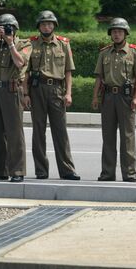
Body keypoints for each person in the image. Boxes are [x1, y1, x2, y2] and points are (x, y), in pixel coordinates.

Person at [26, 10, 81, 180]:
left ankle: (67, 170)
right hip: (37, 90)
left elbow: (68, 71)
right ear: (39, 26)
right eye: (43, 24)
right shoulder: (31, 44)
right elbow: (25, 72)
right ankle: (41, 170)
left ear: (54, 26)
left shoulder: (64, 44)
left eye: (49, 24)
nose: (46, 26)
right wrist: (25, 94)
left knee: (60, 131)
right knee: (38, 131)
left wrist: (68, 93)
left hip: (57, 90)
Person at [91, 18, 136, 182]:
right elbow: (99, 78)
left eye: (119, 31)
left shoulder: (135, 52)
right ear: (110, 34)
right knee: (108, 136)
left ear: (125, 33)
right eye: (114, 32)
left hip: (126, 97)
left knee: (127, 136)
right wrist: (95, 97)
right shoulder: (104, 52)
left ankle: (129, 173)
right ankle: (107, 173)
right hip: (108, 97)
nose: (116, 34)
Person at [0, 14, 31, 183]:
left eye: (10, 27)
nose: (7, 30)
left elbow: (20, 63)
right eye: (3, 27)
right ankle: (0, 170)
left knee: (15, 133)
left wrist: (10, 44)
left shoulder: (24, 44)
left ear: (15, 29)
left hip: (13, 90)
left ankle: (17, 171)